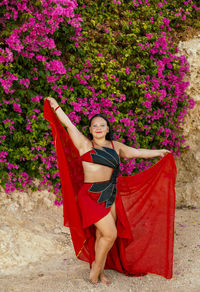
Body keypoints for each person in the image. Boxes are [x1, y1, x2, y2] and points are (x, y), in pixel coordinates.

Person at [44, 97, 176, 285]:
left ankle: (100, 271)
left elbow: (136, 152)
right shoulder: (84, 144)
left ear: (107, 128)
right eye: (94, 125)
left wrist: (159, 152)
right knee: (110, 234)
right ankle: (95, 271)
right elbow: (68, 125)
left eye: (102, 125)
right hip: (90, 195)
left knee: (101, 235)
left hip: (110, 194)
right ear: (90, 130)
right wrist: (55, 106)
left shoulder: (116, 146)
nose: (98, 128)